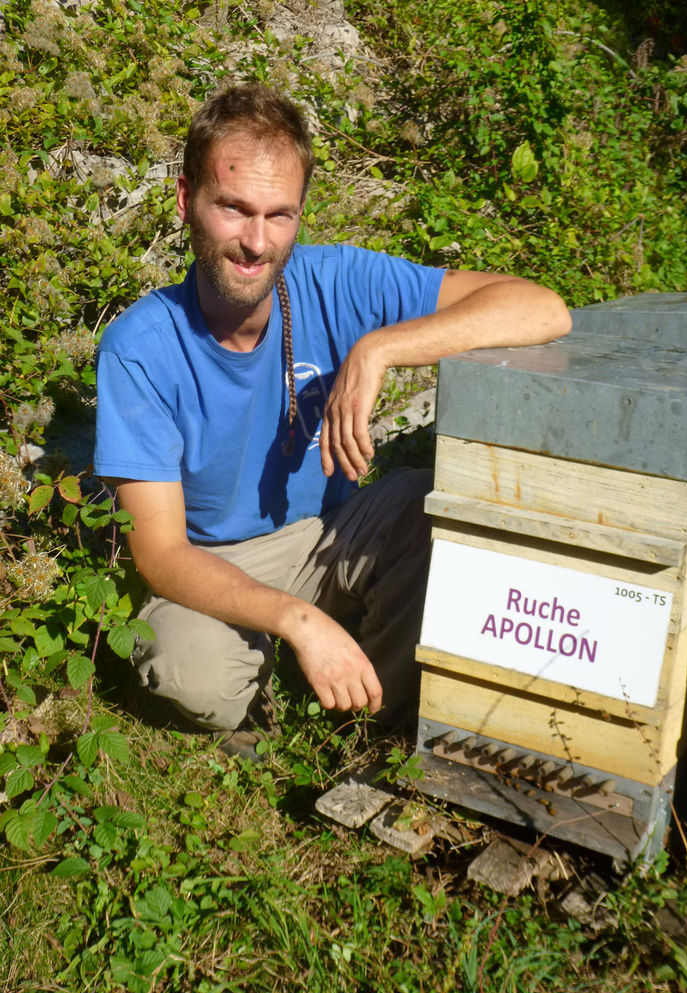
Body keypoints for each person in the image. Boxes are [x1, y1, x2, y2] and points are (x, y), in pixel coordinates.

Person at [93, 82, 572, 760]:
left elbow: (542, 308)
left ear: (300, 214)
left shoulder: (335, 280)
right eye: (233, 209)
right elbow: (162, 555)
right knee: (188, 670)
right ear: (185, 201)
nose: (256, 242)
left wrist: (381, 348)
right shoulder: (141, 347)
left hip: (331, 533)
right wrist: (297, 619)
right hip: (212, 561)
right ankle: (278, 667)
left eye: (279, 215)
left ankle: (376, 719)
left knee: (425, 508)